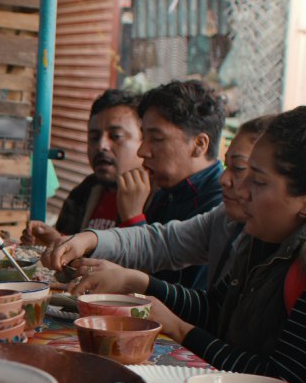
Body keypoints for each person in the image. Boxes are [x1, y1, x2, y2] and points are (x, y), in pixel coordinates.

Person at [95, 107, 306, 383]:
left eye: (258, 181)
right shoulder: (260, 238)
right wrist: (142, 284)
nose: (242, 190)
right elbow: (216, 310)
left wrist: (179, 328)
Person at [45, 115, 273, 292]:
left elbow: (201, 308)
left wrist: (137, 280)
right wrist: (88, 239)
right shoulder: (223, 217)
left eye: (156, 138)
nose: (143, 151)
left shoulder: (217, 201)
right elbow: (160, 241)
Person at [130, 79, 226, 289]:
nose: (142, 151)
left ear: (199, 145)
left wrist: (134, 218)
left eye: (156, 139)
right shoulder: (166, 190)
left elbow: (184, 300)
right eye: (143, 137)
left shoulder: (222, 204)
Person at [23, 89, 145, 246]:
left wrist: (133, 220)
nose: (101, 146)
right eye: (94, 137)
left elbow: (147, 267)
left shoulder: (159, 200)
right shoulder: (83, 193)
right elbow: (72, 258)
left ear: (144, 141)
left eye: (116, 136)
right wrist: (55, 241)